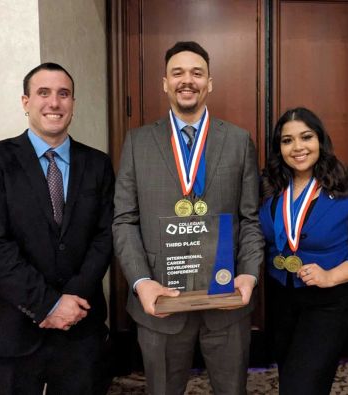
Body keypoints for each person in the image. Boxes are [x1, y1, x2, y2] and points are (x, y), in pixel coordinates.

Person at [112, 41, 264, 395]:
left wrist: (249, 273)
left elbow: (250, 218)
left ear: (210, 82)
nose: (187, 80)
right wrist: (140, 281)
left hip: (227, 300)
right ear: (164, 82)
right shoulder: (137, 142)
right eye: (177, 73)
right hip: (161, 299)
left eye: (197, 73)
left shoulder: (239, 141)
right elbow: (124, 220)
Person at [0, 62, 114, 394]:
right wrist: (47, 304)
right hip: (6, 330)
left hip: (79, 331)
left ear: (72, 103)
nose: (54, 103)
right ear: (26, 101)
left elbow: (105, 236)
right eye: (43, 93)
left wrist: (72, 300)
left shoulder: (98, 164)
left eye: (63, 94)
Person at [259, 107, 348, 394]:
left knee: (301, 386)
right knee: (293, 379)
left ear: (320, 141)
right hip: (280, 297)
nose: (298, 147)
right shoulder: (269, 185)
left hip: (330, 301)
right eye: (287, 140)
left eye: (306, 137)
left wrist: (330, 276)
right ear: (279, 148)